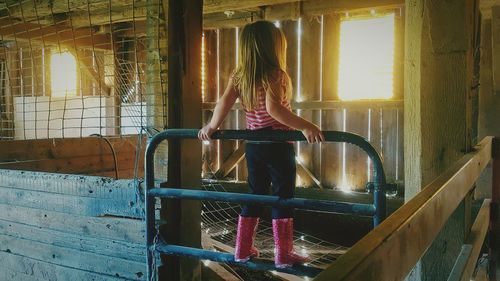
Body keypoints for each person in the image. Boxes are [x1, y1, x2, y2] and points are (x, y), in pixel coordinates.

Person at [198, 20, 324, 268]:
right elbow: (274, 110)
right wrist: (306, 125)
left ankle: (242, 249)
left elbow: (223, 102)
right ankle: (284, 253)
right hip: (277, 144)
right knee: (282, 196)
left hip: (254, 146)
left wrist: (211, 127)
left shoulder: (240, 75)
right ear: (272, 47)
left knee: (254, 194)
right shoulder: (275, 74)